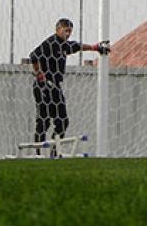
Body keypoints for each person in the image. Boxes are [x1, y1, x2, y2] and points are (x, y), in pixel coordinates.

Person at [29, 17, 110, 148]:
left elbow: (78, 46)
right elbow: (33, 56)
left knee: (63, 121)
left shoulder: (64, 45)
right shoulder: (50, 43)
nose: (68, 34)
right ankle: (37, 152)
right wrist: (39, 74)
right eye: (66, 30)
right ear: (58, 29)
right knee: (44, 120)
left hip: (55, 86)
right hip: (43, 86)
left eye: (70, 31)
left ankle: (55, 150)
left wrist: (95, 47)